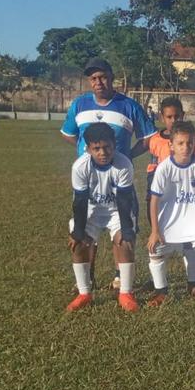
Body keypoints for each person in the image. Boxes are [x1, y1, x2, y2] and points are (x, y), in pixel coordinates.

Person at [60, 58, 156, 291]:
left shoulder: (129, 105)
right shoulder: (80, 104)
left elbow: (148, 137)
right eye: (93, 78)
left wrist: (127, 156)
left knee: (123, 226)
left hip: (119, 178)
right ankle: (88, 277)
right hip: (90, 179)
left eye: (102, 77)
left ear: (112, 78)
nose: (98, 82)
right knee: (87, 226)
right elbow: (68, 133)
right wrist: (86, 153)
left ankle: (118, 276)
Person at [65, 123, 138, 312]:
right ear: (88, 148)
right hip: (91, 210)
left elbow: (124, 200)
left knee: (125, 241)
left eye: (107, 147)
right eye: (96, 148)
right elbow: (80, 201)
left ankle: (126, 293)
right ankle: (84, 293)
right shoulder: (80, 167)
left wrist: (127, 229)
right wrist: (78, 232)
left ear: (114, 145)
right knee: (79, 242)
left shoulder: (123, 164)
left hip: (115, 210)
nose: (102, 152)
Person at [146, 121, 195, 308]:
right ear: (171, 145)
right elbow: (154, 201)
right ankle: (161, 291)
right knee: (154, 251)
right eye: (181, 143)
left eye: (190, 143)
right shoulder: (164, 168)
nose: (186, 147)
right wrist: (154, 230)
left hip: (194, 222)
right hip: (168, 221)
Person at [147, 97, 195, 197]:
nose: (173, 120)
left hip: (185, 188)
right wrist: (151, 191)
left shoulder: (193, 140)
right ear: (162, 117)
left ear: (182, 115)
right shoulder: (155, 140)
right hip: (163, 188)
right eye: (169, 117)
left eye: (177, 116)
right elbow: (153, 167)